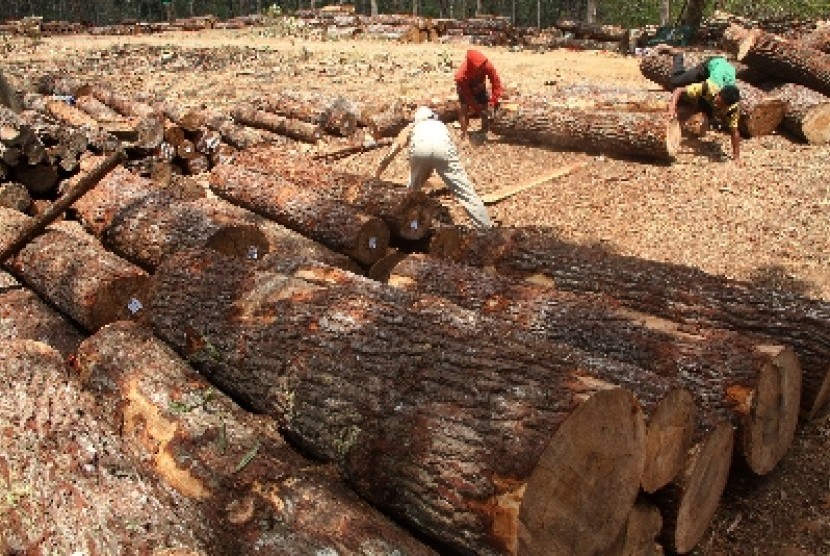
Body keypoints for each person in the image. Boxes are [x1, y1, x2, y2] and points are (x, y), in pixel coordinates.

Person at [374, 106, 493, 229]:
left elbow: (392, 152)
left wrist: (377, 174)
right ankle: (484, 227)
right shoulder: (440, 125)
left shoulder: (412, 127)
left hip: (420, 152)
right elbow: (447, 147)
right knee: (465, 192)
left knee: (412, 191)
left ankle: (409, 224)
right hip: (443, 151)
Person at [666, 52, 743, 164]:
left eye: (720, 105)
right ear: (718, 93)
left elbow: (734, 132)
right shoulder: (709, 87)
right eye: (717, 101)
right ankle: (678, 55)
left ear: (728, 105)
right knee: (675, 81)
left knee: (706, 111)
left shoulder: (733, 109)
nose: (717, 104)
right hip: (712, 65)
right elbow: (678, 90)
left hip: (727, 69)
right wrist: (672, 109)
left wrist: (737, 157)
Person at [454, 49, 503, 141]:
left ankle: (485, 129)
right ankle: (464, 134)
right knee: (464, 108)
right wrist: (477, 109)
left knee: (485, 105)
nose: (482, 68)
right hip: (465, 87)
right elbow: (468, 97)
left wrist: (493, 101)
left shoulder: (487, 65)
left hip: (479, 84)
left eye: (483, 66)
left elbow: (496, 83)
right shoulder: (460, 76)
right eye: (479, 68)